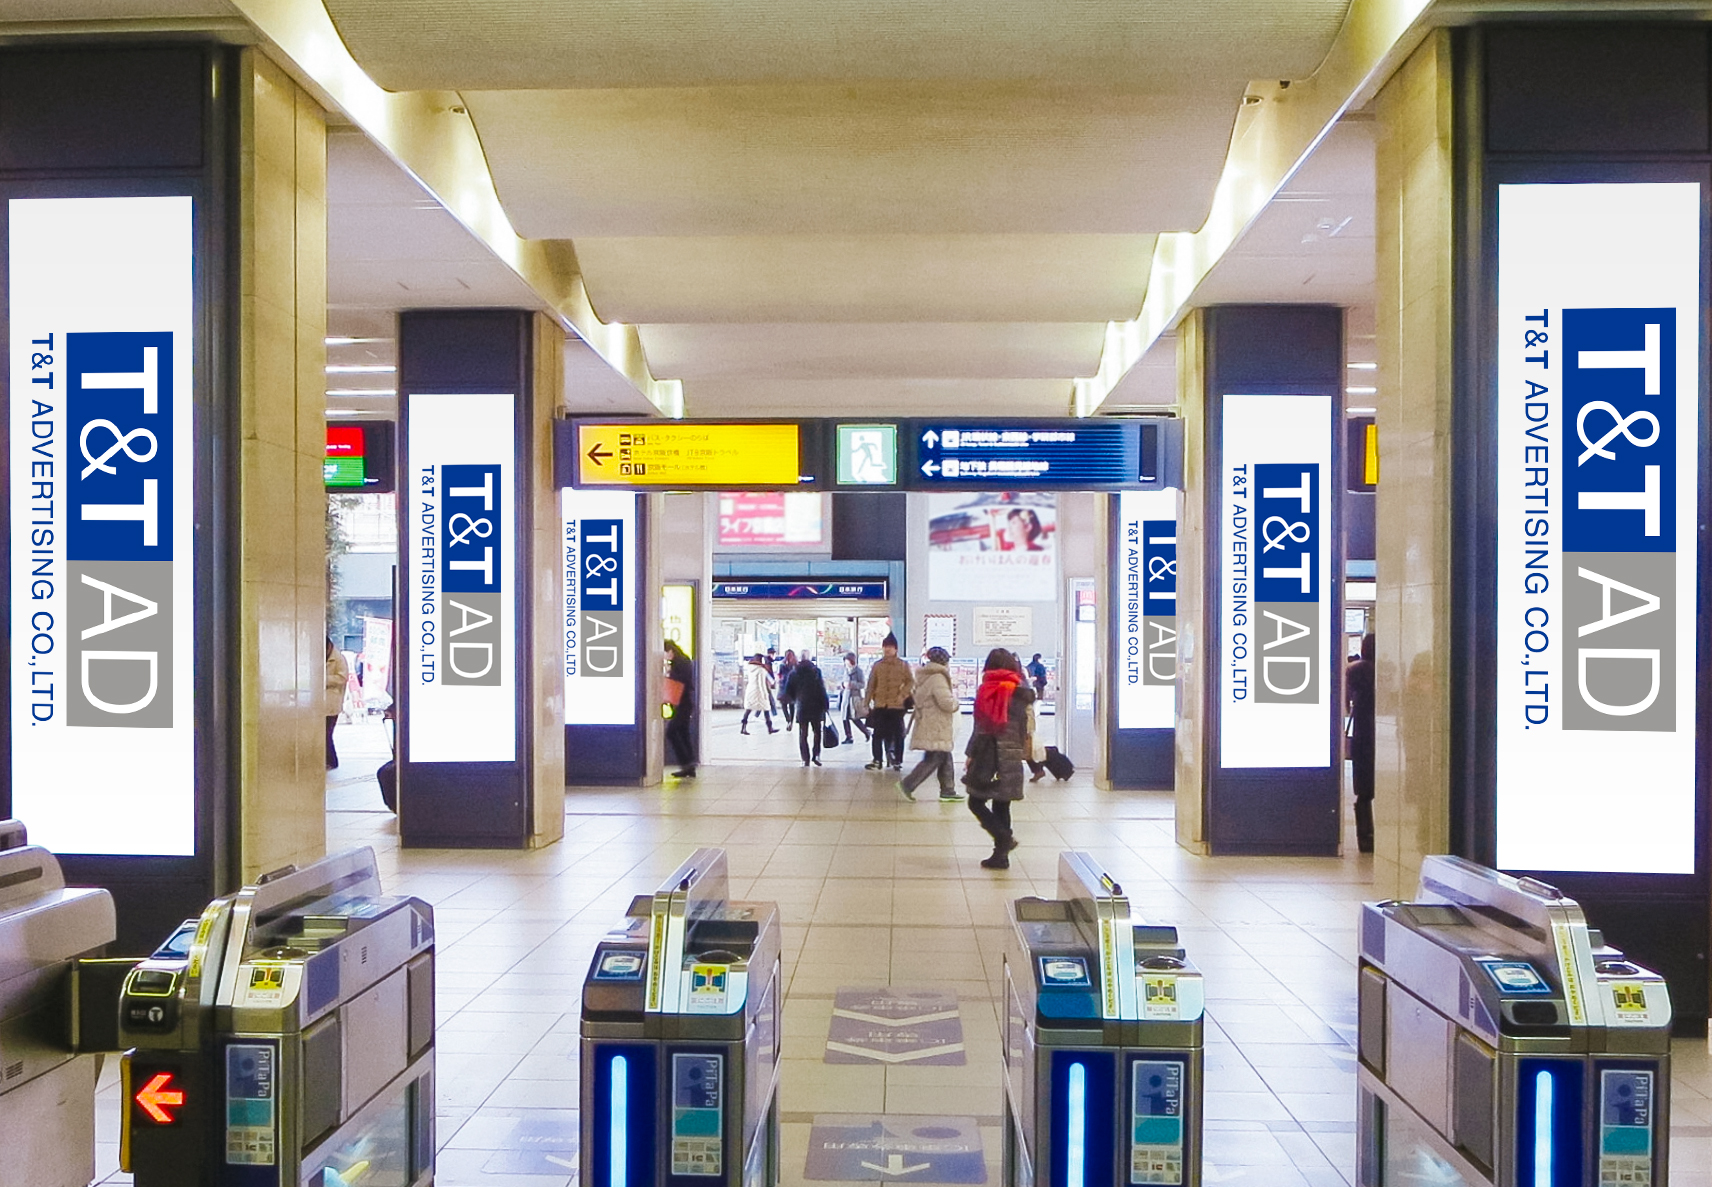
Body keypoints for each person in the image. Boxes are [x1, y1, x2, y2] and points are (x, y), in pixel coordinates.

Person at [963, 648, 1034, 869]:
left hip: (990, 753)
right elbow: (1026, 726)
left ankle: (1003, 838)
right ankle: (1000, 856)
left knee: (975, 801)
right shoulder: (1021, 691)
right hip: (1011, 754)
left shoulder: (988, 689)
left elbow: (982, 726)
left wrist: (971, 753)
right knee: (1002, 805)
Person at [899, 647, 962, 801]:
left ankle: (948, 790)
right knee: (935, 757)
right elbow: (946, 702)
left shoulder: (926, 675)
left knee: (944, 754)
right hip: (936, 723)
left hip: (930, 721)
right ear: (944, 661)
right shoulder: (937, 678)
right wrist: (956, 703)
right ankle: (908, 784)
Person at [862, 633, 914, 771]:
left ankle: (897, 760)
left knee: (898, 734)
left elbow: (910, 681)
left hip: (897, 706)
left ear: (896, 649)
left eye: (890, 647)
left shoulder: (903, 665)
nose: (887, 649)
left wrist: (902, 695)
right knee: (877, 734)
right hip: (880, 704)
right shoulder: (877, 666)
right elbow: (871, 684)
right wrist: (866, 703)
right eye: (885, 646)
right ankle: (877, 760)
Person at [1346, 633, 1376, 854]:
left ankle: (1365, 837)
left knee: (1363, 792)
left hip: (1362, 734)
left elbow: (1347, 704)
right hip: (1382, 734)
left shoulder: (1355, 670)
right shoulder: (1388, 669)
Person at [786, 657, 830, 767]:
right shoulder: (816, 672)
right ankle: (816, 755)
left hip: (802, 706)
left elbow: (788, 690)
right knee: (817, 732)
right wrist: (826, 705)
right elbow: (821, 689)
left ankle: (805, 759)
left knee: (803, 733)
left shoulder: (794, 673)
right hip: (816, 706)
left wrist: (796, 698)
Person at [664, 640, 698, 778]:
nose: (665, 656)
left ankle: (686, 763)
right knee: (683, 733)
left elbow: (680, 681)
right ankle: (689, 766)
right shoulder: (682, 661)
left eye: (665, 653)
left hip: (683, 703)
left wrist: (668, 672)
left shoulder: (681, 662)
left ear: (670, 651)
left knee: (671, 732)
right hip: (682, 702)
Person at [325, 637, 349, 770]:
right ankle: (328, 760)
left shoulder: (338, 658)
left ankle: (332, 761)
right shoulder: (320, 657)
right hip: (320, 703)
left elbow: (343, 677)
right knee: (322, 734)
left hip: (332, 702)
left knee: (326, 733)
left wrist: (324, 679)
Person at [741, 654, 778, 734]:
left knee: (748, 709)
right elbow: (761, 684)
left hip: (750, 690)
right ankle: (770, 728)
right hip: (758, 692)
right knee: (766, 709)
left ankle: (743, 727)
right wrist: (765, 694)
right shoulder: (761, 670)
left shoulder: (750, 668)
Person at [842, 653, 871, 744]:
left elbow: (862, 684)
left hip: (854, 697)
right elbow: (843, 681)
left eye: (848, 661)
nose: (846, 664)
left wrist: (852, 684)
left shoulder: (858, 671)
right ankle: (848, 736)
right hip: (846, 696)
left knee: (855, 717)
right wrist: (843, 685)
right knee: (844, 717)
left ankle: (866, 732)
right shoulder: (846, 670)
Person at [777, 649, 799, 726]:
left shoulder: (782, 664)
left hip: (783, 686)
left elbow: (779, 674)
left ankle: (788, 720)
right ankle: (790, 721)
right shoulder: (795, 664)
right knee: (791, 704)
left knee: (784, 704)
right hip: (792, 686)